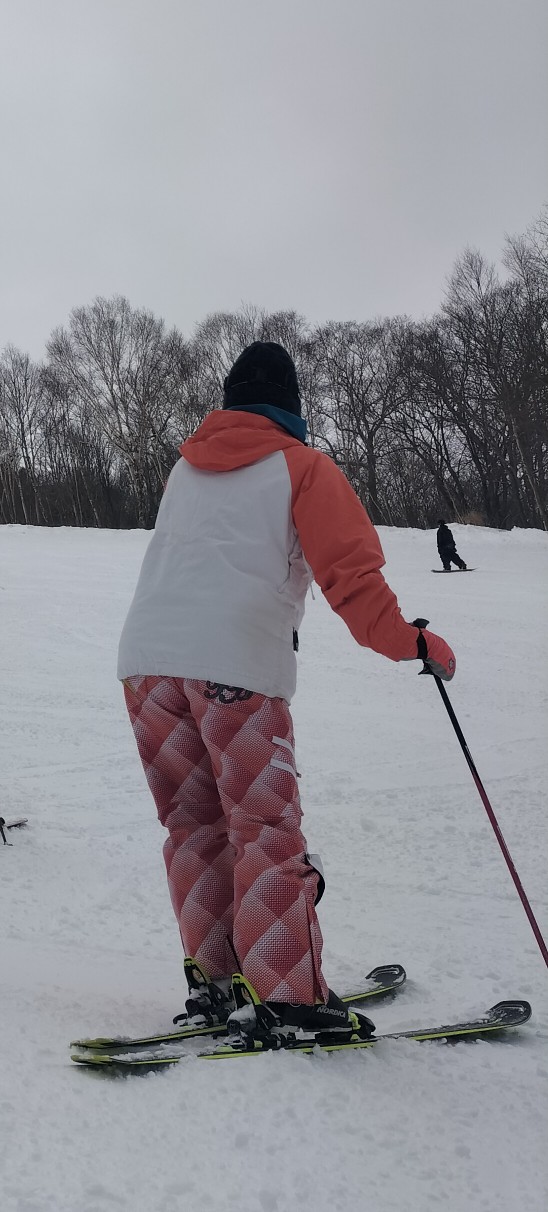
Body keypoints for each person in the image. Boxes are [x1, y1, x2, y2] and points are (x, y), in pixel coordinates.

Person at [116, 341, 456, 1046]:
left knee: (194, 827)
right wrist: (418, 644)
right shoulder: (302, 466)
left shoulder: (186, 468)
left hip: (147, 664)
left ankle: (215, 981)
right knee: (262, 829)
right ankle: (288, 996)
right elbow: (355, 585)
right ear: (291, 406)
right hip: (233, 667)